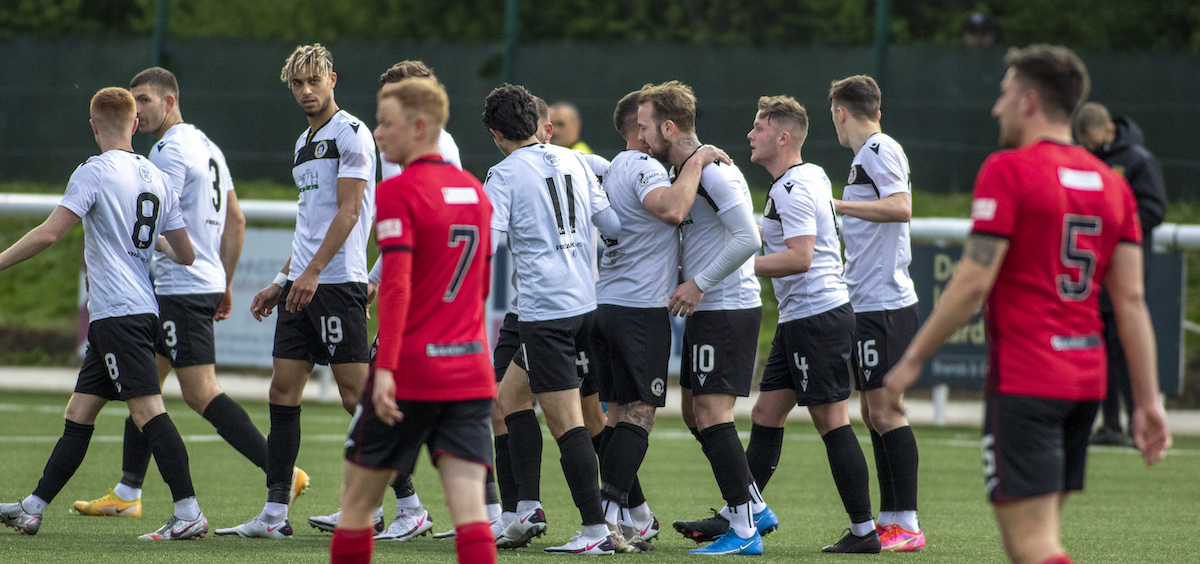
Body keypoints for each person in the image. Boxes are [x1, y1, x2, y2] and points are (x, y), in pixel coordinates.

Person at [885, 44, 1172, 564]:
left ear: (1030, 102)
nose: (996, 107)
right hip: (1086, 381)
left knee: (1033, 548)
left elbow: (973, 283)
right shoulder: (1114, 187)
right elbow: (1131, 301)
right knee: (1044, 541)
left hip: (1027, 381)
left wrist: (911, 361)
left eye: (1004, 94)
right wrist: (1148, 402)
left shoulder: (1009, 170)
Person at [67, 67, 308, 521]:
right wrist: (225, 280)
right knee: (145, 385)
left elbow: (149, 216)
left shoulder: (167, 152)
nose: (136, 108)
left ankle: (281, 471)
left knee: (199, 392)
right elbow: (235, 219)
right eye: (133, 100)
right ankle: (127, 490)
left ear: (169, 101)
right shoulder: (208, 145)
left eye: (145, 99)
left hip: (179, 285)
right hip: (199, 280)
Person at [0, 87, 206, 541]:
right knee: (79, 411)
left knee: (149, 412)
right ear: (135, 124)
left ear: (93, 126)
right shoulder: (156, 175)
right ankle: (32, 509)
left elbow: (50, 234)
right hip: (134, 310)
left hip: (119, 314)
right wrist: (144, 242)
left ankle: (189, 511)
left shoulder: (92, 172)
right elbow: (186, 253)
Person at [328, 76, 498, 564]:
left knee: (357, 505)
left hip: (412, 373)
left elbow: (396, 285)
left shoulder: (399, 191)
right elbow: (480, 290)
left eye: (386, 123)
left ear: (419, 127)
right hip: (469, 373)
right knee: (470, 510)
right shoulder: (474, 192)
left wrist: (385, 369)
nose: (377, 133)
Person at [217, 43, 375, 539]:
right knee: (282, 392)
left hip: (336, 283)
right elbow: (309, 226)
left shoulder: (351, 133)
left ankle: (406, 504)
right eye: (297, 84)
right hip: (303, 285)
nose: (306, 91)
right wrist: (284, 279)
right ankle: (273, 514)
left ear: (332, 78)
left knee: (358, 398)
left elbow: (350, 213)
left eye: (314, 80)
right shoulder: (303, 142)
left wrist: (312, 273)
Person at [309, 58, 464, 542]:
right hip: (458, 331)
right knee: (465, 474)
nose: (379, 125)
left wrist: (382, 279)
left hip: (421, 311)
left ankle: (400, 509)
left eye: (388, 114)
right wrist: (378, 273)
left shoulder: (411, 166)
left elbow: (419, 238)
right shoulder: (462, 177)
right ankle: (425, 510)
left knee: (375, 403)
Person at [483, 83, 623, 555]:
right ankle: (526, 508)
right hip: (586, 304)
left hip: (547, 314)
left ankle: (595, 530)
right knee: (508, 399)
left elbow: (488, 245)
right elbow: (613, 226)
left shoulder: (502, 174)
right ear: (536, 121)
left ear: (497, 132)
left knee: (567, 424)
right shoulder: (573, 160)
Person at [630, 81, 767, 556]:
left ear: (669, 127)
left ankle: (745, 529)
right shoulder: (690, 170)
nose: (641, 137)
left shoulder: (715, 174)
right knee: (693, 411)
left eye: (646, 127)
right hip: (710, 309)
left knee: (712, 414)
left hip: (726, 307)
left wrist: (699, 281)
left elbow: (749, 239)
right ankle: (750, 504)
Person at [594, 89, 728, 550]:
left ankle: (634, 517)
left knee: (614, 421)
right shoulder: (644, 166)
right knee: (639, 416)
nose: (651, 134)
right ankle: (603, 523)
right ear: (640, 127)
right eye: (647, 126)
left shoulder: (610, 168)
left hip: (606, 305)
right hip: (637, 310)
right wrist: (699, 159)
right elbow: (672, 209)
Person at [745, 95, 878, 554]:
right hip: (802, 318)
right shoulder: (810, 174)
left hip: (816, 317)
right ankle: (742, 514)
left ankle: (864, 531)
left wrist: (740, 268)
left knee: (831, 419)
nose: (750, 134)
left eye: (759, 127)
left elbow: (801, 258)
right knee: (765, 414)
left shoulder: (792, 187)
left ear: (783, 137)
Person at [828, 74, 924, 551]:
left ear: (840, 113)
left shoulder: (881, 149)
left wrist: (836, 205)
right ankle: (892, 520)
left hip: (884, 302)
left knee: (887, 409)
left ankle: (906, 523)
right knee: (871, 410)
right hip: (867, 300)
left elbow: (902, 208)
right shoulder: (866, 156)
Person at [1072, 102, 1167, 447]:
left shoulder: (1138, 160)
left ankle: (1136, 422)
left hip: (1125, 270)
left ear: (1109, 129)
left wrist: (1118, 230)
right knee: (1101, 347)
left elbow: (1155, 209)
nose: (1091, 150)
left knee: (1123, 347)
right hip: (1093, 269)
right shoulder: (1089, 158)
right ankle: (1110, 425)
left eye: (1094, 143)